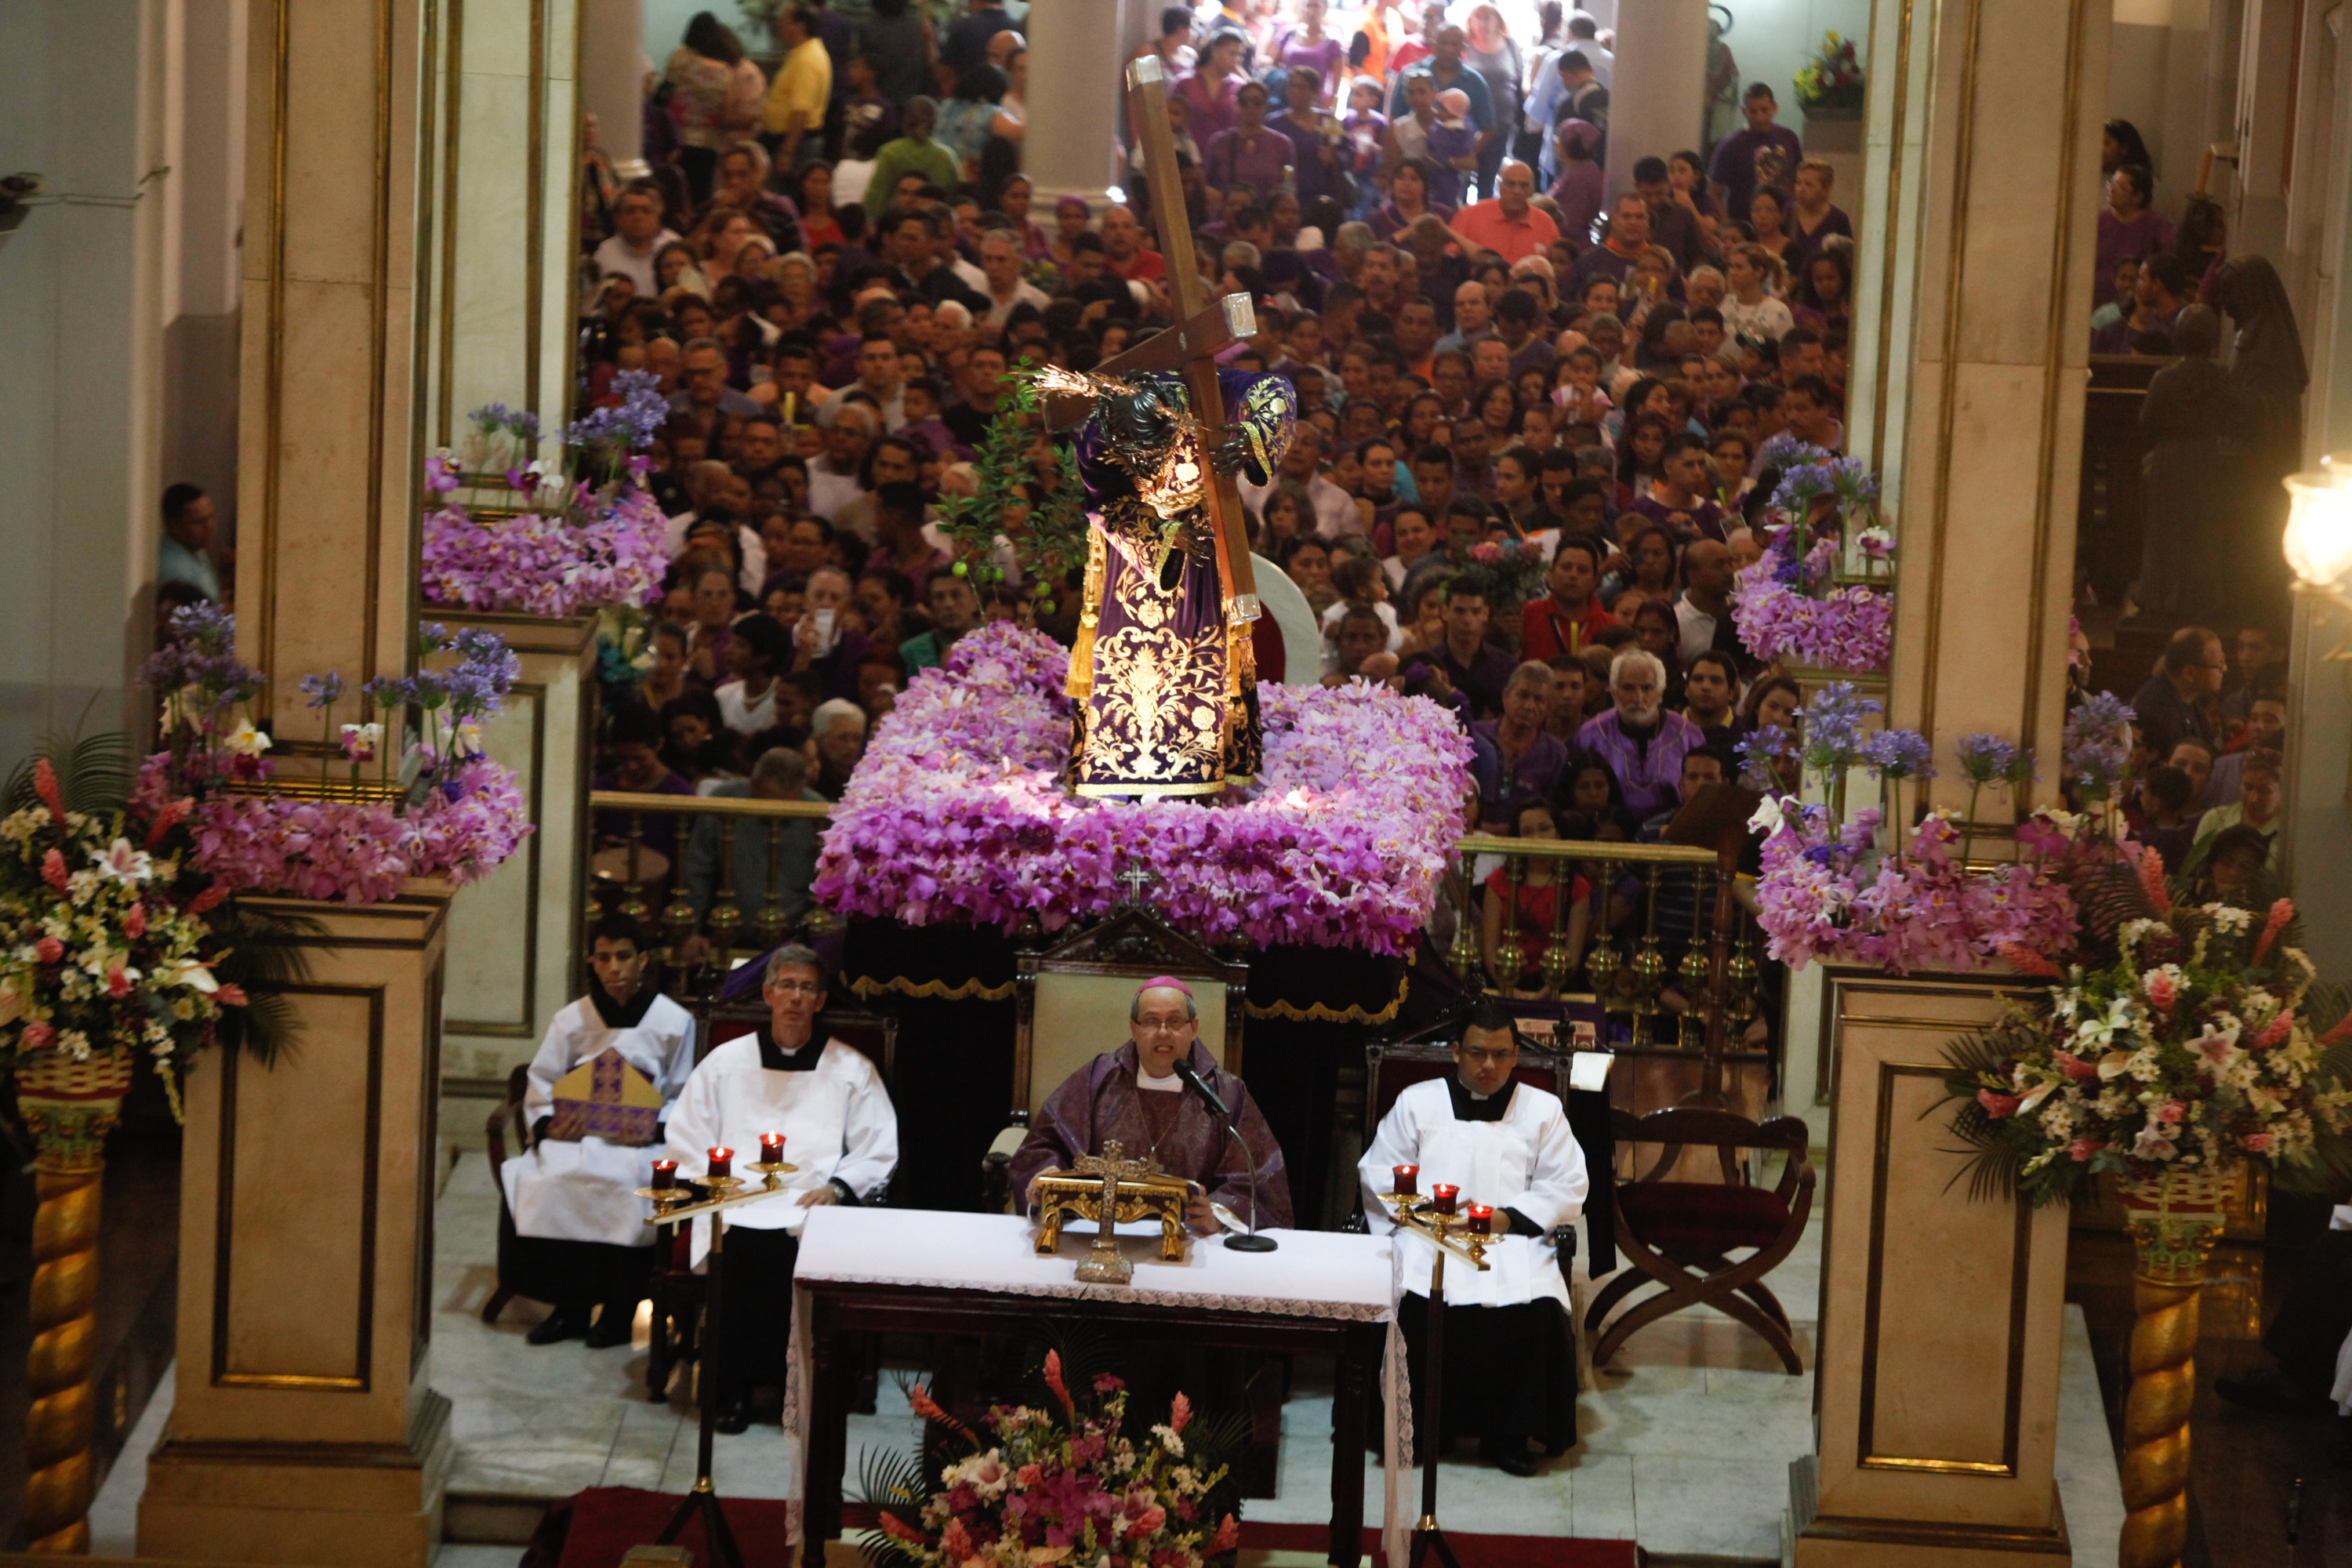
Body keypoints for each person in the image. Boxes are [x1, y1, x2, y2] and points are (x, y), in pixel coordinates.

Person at [664, 945, 898, 1432]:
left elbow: (877, 1146)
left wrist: (837, 1187)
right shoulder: (726, 1062)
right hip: (737, 1200)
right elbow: (687, 1134)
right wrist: (713, 1186)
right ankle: (732, 1391)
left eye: (807, 987)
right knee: (744, 1252)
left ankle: (796, 1386)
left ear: (820, 999)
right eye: (786, 986)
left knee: (792, 1251)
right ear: (768, 993)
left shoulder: (850, 1069)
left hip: (812, 1203)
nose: (795, 997)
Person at [1357, 1000, 1588, 1475]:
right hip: (1429, 1234)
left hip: (1513, 1237)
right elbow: (1380, 1172)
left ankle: (1508, 1436)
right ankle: (1421, 1429)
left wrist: (1503, 1220)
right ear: (1456, 1051)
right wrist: (1428, 1218)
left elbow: (1567, 1184)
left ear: (1516, 1055)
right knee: (1414, 1296)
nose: (1489, 1066)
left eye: (1502, 1054)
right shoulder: (1417, 1103)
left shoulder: (1543, 1110)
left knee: (1534, 1303)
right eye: (1479, 1053)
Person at [499, 913, 697, 1349]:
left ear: (643, 960)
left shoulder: (674, 1020)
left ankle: (618, 1312)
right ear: (592, 961)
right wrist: (552, 1124)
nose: (614, 968)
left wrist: (652, 1127)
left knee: (630, 1182)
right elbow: (543, 1080)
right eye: (603, 958)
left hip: (638, 1139)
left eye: (624, 957)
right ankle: (568, 1307)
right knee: (553, 1178)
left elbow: (684, 1092)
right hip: (579, 1135)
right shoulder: (572, 1019)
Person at [1009, 977, 1292, 1233]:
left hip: (1184, 1239)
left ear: (1193, 1028)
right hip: (1097, 1231)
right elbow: (1042, 1146)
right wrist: (1046, 1179)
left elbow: (1261, 1178)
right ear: (1134, 1029)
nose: (1163, 1032)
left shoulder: (1225, 1093)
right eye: (1151, 1021)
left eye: (1175, 1021)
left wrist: (1218, 1214)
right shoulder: (1097, 1078)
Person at [683, 747, 828, 949]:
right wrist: (691, 932)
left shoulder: (818, 814)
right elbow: (698, 870)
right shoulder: (724, 801)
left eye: (785, 807)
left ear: (800, 791)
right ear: (753, 784)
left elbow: (829, 887)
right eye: (767, 803)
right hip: (725, 933)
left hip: (794, 940)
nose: (775, 817)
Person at [1575, 648, 1703, 818]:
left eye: (1647, 688)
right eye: (1628, 688)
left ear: (1660, 692)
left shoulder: (1689, 735)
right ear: (1613, 691)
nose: (1638, 698)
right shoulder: (1590, 735)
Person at [1708, 82, 1802, 223]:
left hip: (1783, 225)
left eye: (1765, 110)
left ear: (1774, 108)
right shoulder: (1730, 145)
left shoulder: (1789, 138)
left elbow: (1798, 180)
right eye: (1753, 111)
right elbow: (1714, 193)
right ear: (1744, 112)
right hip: (1745, 226)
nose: (1759, 117)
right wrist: (1728, 227)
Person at [2131, 626, 2226, 753]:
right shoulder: (2160, 713)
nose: (2225, 668)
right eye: (2219, 665)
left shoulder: (2187, 695)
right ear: (2190, 673)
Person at [2095, 165, 2173, 310]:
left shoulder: (2158, 227)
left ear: (2138, 197)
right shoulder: (2098, 221)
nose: (2112, 190)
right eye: (2111, 184)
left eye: (2119, 187)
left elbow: (2164, 269)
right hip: (2095, 303)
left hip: (2137, 307)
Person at [158, 483, 223, 601]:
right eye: (199, 522)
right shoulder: (176, 572)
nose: (210, 526)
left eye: (211, 517)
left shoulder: (195, 546)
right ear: (173, 526)